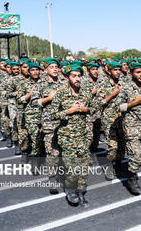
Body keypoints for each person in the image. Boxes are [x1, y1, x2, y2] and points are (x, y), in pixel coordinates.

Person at [50, 64, 92, 207]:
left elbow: (95, 109)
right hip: (67, 138)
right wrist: (70, 111)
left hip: (84, 136)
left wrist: (86, 109)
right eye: (73, 76)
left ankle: (80, 191)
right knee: (73, 169)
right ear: (68, 77)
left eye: (79, 75)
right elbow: (53, 115)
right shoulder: (61, 92)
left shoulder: (86, 92)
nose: (77, 78)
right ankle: (70, 189)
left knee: (84, 168)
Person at [116, 62, 141, 194]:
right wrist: (133, 103)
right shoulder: (126, 88)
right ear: (132, 73)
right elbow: (118, 106)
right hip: (131, 127)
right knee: (136, 155)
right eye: (138, 72)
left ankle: (131, 170)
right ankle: (131, 177)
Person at [31, 58, 64, 194]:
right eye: (52, 67)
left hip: (65, 123)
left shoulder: (64, 82)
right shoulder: (41, 84)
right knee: (52, 152)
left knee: (65, 151)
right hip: (50, 124)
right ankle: (52, 177)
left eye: (56, 66)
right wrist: (48, 98)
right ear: (46, 70)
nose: (55, 69)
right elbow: (33, 102)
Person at [96, 61, 125, 181]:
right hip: (109, 119)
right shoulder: (103, 84)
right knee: (112, 146)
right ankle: (109, 166)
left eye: (119, 69)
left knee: (122, 146)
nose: (117, 72)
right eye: (115, 70)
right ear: (109, 71)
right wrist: (113, 94)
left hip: (122, 119)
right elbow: (99, 103)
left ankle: (118, 163)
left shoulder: (124, 83)